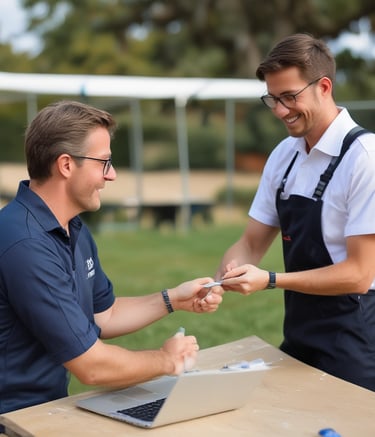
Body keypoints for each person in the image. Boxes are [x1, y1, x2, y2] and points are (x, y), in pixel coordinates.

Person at [0, 100, 223, 415]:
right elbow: (93, 367)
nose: (112, 174)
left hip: (43, 412)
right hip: (13, 419)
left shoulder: (71, 228)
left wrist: (174, 299)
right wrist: (168, 360)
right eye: (104, 162)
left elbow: (104, 315)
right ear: (65, 165)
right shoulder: (25, 243)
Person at [215, 33, 375, 391]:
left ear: (324, 87)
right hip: (299, 333)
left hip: (357, 337)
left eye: (290, 97)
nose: (280, 110)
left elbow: (359, 274)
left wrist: (270, 280)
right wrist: (220, 279)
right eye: (272, 98)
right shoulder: (284, 155)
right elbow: (251, 243)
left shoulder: (365, 159)